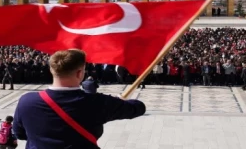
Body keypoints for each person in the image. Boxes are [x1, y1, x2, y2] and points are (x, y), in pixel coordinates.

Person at [13, 49, 146, 149]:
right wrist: (118, 102)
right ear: (79, 73)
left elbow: (20, 133)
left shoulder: (26, 101)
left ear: (51, 70)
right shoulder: (97, 103)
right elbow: (138, 107)